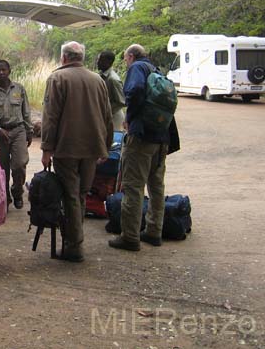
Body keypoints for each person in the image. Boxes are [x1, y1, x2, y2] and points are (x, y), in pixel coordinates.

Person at [41, 41, 113, 262]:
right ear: (81, 57)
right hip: (92, 148)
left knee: (72, 196)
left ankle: (74, 247)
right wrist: (106, 146)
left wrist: (47, 148)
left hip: (67, 148)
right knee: (80, 195)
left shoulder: (57, 78)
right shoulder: (97, 80)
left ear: (64, 58)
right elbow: (107, 116)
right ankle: (75, 239)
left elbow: (50, 117)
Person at [108, 44, 174, 252]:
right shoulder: (155, 70)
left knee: (133, 186)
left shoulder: (137, 69)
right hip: (162, 137)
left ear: (130, 56)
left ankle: (130, 236)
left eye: (126, 58)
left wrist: (130, 117)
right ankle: (154, 231)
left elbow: (135, 91)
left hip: (142, 136)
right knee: (156, 185)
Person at [0, 60, 32, 210]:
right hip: (0, 133)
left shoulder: (19, 89)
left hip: (18, 130)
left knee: (19, 164)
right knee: (2, 168)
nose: (1, 72)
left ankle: (17, 192)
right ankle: (5, 197)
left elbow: (26, 111)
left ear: (9, 70)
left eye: (4, 70)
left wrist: (29, 130)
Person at [96, 51, 126, 132]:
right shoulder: (102, 76)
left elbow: (122, 101)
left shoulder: (113, 79)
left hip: (114, 119)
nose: (97, 62)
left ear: (108, 62)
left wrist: (107, 111)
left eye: (100, 60)